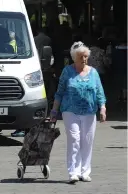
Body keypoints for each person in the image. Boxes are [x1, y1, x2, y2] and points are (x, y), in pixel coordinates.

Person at [50, 41, 107, 184]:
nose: (84, 59)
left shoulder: (93, 72)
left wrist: (103, 108)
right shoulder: (67, 71)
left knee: (87, 142)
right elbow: (60, 92)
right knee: (74, 140)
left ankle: (85, 172)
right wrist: (54, 110)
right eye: (81, 56)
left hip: (89, 111)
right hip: (70, 110)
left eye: (86, 56)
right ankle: (73, 172)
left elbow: (99, 92)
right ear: (74, 58)